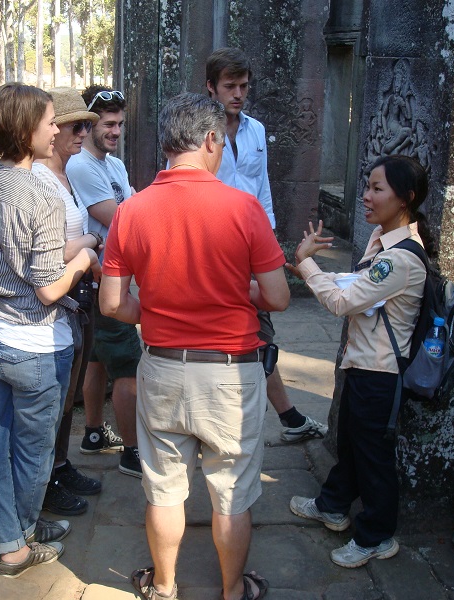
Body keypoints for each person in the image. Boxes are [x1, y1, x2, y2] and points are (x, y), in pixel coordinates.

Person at [101, 92, 290, 600]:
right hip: (230, 371)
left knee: (163, 488)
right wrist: (236, 290)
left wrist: (158, 308)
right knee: (231, 492)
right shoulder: (243, 208)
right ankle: (233, 591)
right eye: (222, 143)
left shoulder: (132, 211)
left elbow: (113, 304)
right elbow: (277, 296)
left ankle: (164, 586)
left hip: (161, 367)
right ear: (210, 140)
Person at [0, 83, 101, 578]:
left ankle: (14, 531)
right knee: (35, 451)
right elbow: (47, 289)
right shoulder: (41, 194)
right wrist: (85, 258)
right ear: (25, 131)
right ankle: (16, 545)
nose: (56, 128)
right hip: (37, 343)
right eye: (48, 121)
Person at [286, 155, 433, 568]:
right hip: (362, 366)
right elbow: (359, 287)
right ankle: (332, 505)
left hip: (380, 373)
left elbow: (342, 302)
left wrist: (307, 262)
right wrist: (310, 272)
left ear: (405, 199)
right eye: (367, 186)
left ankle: (377, 536)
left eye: (377, 189)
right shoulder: (381, 241)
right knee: (351, 443)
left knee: (374, 458)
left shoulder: (399, 257)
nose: (366, 197)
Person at [205, 47, 327, 444]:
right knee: (238, 331)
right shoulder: (200, 134)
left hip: (252, 242)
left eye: (243, 86)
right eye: (229, 86)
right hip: (213, 245)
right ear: (211, 88)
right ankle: (269, 418)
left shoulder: (256, 130)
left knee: (260, 330)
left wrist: (269, 240)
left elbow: (263, 190)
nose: (238, 94)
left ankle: (287, 417)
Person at [31, 87, 104, 516]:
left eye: (86, 126)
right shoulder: (38, 179)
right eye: (77, 126)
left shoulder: (66, 174)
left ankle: (60, 463)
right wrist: (91, 243)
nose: (84, 134)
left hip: (79, 293)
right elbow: (50, 250)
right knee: (54, 397)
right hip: (58, 296)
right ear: (51, 131)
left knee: (70, 391)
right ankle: (45, 480)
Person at [67, 84, 141, 478]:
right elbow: (120, 216)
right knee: (128, 365)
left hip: (112, 274)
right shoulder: (81, 164)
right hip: (102, 280)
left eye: (119, 124)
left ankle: (94, 433)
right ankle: (133, 452)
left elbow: (130, 205)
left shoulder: (113, 164)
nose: (115, 131)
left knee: (96, 359)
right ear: (90, 123)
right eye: (108, 124)